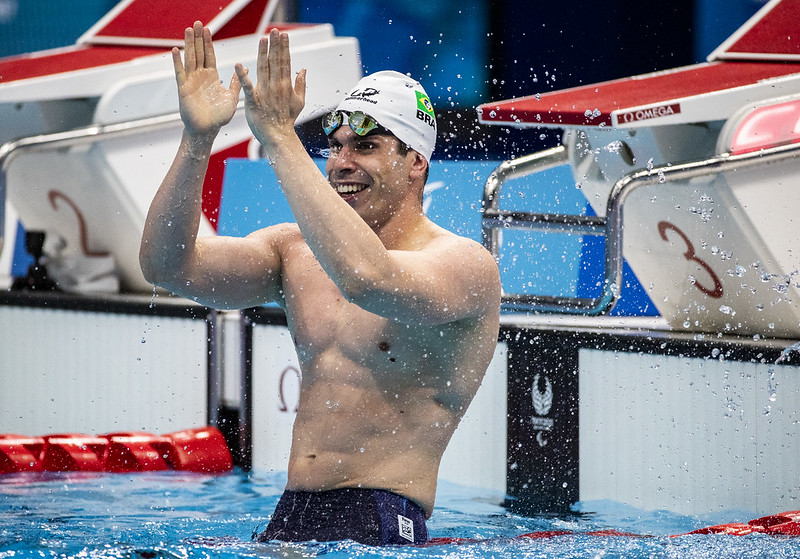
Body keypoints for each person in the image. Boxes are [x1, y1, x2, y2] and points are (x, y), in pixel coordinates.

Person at [139, 21, 501, 546]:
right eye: (334, 146)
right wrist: (197, 139)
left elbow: (366, 278)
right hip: (292, 512)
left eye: (367, 146)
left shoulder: (463, 265)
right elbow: (167, 267)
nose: (342, 163)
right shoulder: (295, 252)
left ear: (416, 162)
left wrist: (282, 140)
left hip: (380, 513)